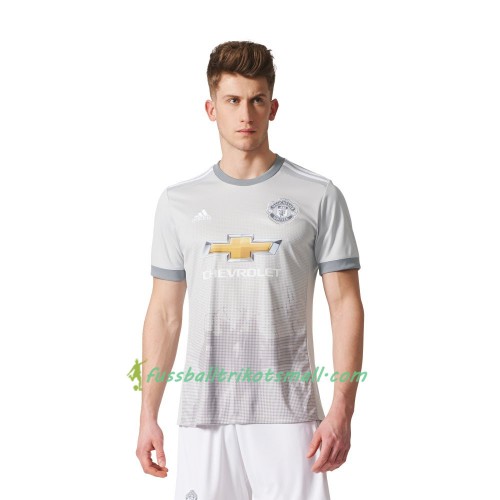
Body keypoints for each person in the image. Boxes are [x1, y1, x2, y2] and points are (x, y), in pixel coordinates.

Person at [136, 40, 364, 500]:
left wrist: (343, 408)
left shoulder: (318, 195)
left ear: (273, 108)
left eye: (257, 100)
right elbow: (164, 314)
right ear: (211, 108)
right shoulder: (178, 203)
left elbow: (345, 306)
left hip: (289, 414)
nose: (246, 114)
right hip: (204, 412)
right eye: (233, 100)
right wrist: (147, 415)